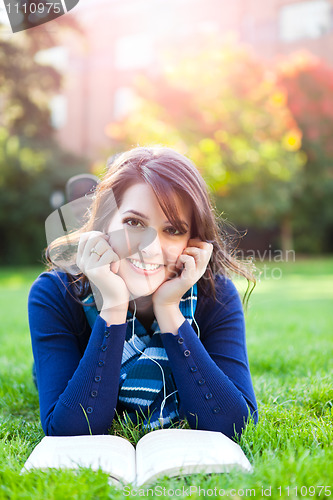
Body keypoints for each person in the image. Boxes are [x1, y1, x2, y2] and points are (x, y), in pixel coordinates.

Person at [28, 146, 258, 438]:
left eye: (173, 229)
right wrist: (113, 305)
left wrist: (169, 310)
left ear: (192, 241)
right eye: (134, 223)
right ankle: (91, 195)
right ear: (104, 224)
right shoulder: (53, 294)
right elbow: (68, 427)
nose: (149, 249)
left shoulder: (217, 294)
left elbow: (236, 423)